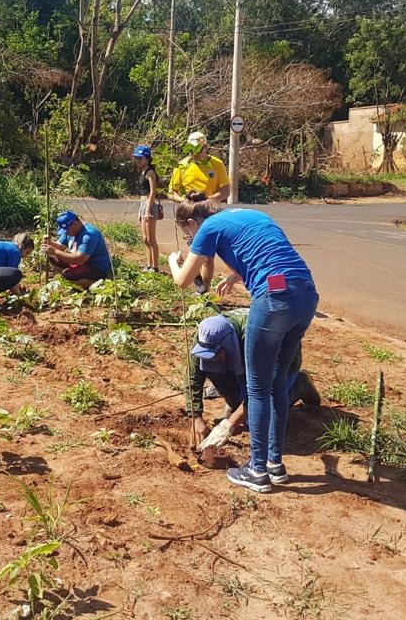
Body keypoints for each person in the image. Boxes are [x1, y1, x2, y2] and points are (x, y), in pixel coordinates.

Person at [168, 192, 319, 493]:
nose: (189, 239)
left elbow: (183, 281)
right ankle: (274, 466)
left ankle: (257, 470)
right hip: (305, 294)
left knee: (258, 386)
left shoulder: (208, 228)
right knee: (275, 382)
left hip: (274, 299)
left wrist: (174, 260)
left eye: (186, 235)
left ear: (190, 223)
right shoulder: (251, 215)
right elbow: (270, 253)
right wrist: (236, 276)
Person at [187, 309, 321, 449]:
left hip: (280, 363)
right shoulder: (204, 338)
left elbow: (262, 388)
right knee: (214, 369)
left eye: (217, 353)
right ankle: (237, 400)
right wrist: (195, 417)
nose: (214, 359)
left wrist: (228, 425)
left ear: (228, 343)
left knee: (261, 422)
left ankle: (299, 384)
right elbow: (193, 377)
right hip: (240, 353)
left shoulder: (258, 339)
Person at [167, 131, 229, 293]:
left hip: (209, 214)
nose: (194, 153)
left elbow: (226, 191)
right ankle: (196, 281)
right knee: (195, 252)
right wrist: (186, 202)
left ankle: (204, 291)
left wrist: (207, 201)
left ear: (206, 147)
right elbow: (170, 192)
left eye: (198, 149)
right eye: (191, 149)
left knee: (208, 257)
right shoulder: (181, 165)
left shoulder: (216, 164)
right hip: (190, 215)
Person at [43, 211, 113, 289]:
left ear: (75, 224)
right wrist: (49, 243)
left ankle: (96, 283)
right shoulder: (70, 231)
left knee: (69, 275)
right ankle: (72, 278)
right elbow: (59, 247)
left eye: (66, 230)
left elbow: (79, 260)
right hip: (80, 263)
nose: (65, 233)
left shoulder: (89, 235)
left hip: (96, 267)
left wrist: (55, 251)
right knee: (52, 256)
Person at [133, 144, 162, 273]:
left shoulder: (150, 172)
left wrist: (148, 209)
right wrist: (141, 210)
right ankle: (148, 264)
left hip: (149, 205)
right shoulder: (143, 172)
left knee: (151, 238)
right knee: (145, 238)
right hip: (142, 204)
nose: (138, 161)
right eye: (137, 158)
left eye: (140, 158)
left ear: (147, 158)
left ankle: (155, 266)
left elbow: (152, 192)